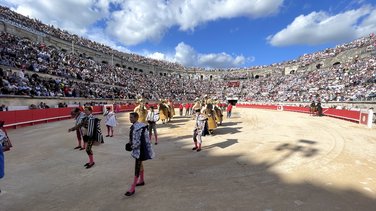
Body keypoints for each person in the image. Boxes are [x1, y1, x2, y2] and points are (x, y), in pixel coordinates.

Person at [125, 112, 155, 196]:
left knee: (137, 168)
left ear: (136, 118)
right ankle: (141, 180)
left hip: (139, 151)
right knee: (140, 165)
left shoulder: (139, 127)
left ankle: (132, 188)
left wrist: (132, 146)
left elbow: (138, 141)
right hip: (137, 150)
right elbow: (133, 138)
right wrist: (130, 143)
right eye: (129, 117)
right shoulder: (135, 126)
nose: (130, 119)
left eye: (131, 117)